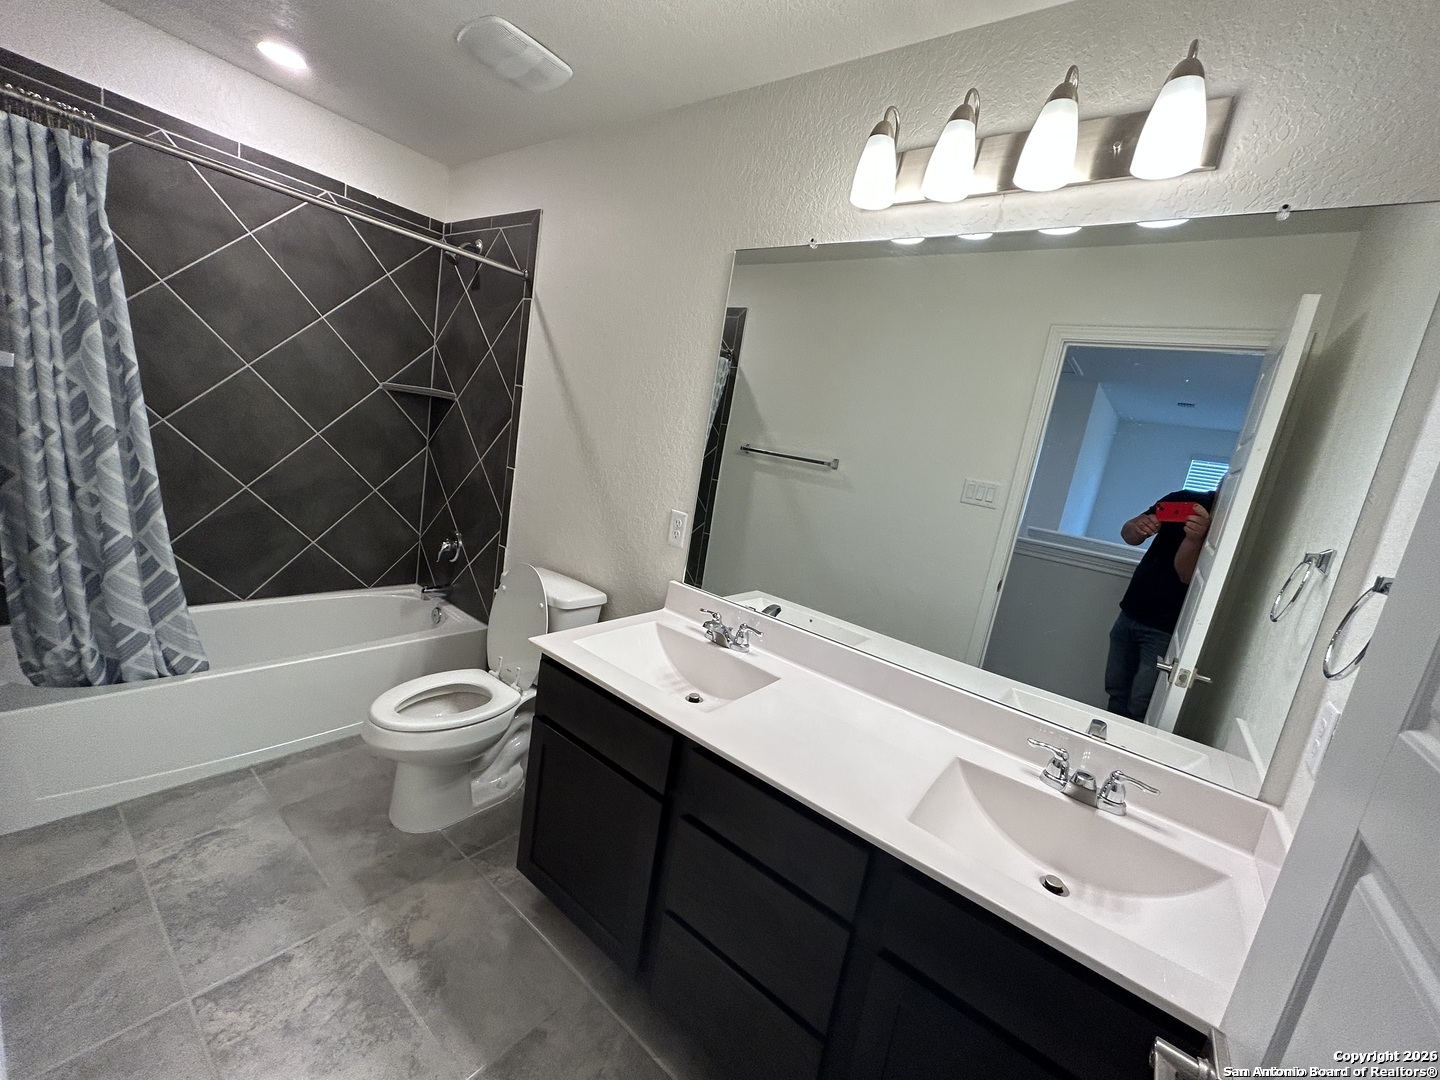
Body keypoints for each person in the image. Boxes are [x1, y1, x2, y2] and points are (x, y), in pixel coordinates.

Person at [1105, 489, 1216, 722]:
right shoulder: (1182, 498)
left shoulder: (1222, 522)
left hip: (1164, 627)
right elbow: (1129, 535)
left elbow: (1185, 575)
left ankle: (1129, 751)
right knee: (1116, 690)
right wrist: (1137, 526)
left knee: (1140, 704)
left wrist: (1194, 539)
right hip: (1131, 610)